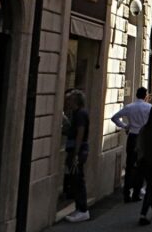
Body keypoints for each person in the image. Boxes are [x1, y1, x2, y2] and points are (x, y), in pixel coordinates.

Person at [111, 87, 152, 203]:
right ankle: (137, 192)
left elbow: (114, 118)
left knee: (130, 165)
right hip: (143, 138)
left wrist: (125, 126)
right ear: (145, 96)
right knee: (141, 165)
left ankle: (126, 193)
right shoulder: (149, 108)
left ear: (136, 95)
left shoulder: (130, 107)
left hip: (133, 137)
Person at [63, 90, 90, 222]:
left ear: (77, 101)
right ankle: (79, 208)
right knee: (75, 179)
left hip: (78, 150)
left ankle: (83, 210)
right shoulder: (77, 113)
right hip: (76, 149)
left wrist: (76, 153)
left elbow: (80, 132)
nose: (68, 102)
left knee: (78, 179)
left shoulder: (80, 114)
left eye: (71, 100)